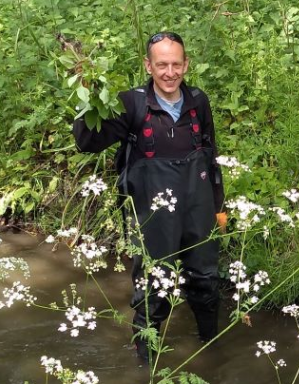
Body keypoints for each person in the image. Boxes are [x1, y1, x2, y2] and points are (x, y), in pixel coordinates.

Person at [73, 32, 225, 361]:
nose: (170, 73)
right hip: (153, 217)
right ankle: (147, 367)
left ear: (186, 64)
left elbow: (212, 158)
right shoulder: (131, 103)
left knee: (206, 282)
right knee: (156, 288)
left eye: (176, 64)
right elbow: (87, 143)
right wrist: (89, 96)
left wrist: (219, 207)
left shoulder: (198, 101)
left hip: (198, 212)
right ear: (148, 65)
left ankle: (212, 352)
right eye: (161, 65)